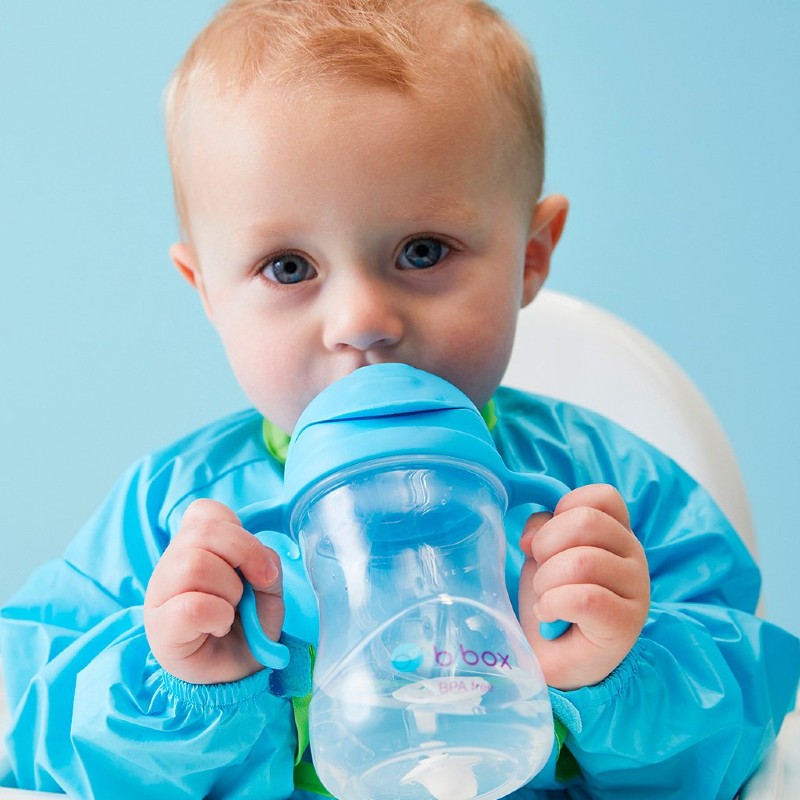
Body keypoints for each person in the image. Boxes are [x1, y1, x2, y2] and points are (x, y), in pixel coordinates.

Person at [1, 1, 797, 797]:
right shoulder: (171, 518)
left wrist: (624, 671)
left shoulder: (607, 492)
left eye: (422, 252)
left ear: (530, 256)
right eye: (288, 267)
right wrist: (177, 686)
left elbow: (754, 736)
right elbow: (29, 736)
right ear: (206, 290)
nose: (361, 322)